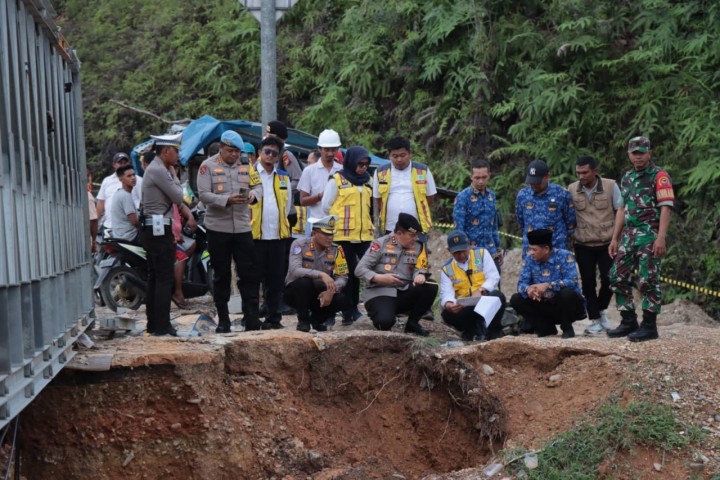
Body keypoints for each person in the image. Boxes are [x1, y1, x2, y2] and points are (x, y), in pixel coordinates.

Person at [607, 136, 674, 342]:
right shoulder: (627, 177)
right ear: (629, 155)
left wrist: (661, 237)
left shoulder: (659, 176)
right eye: (634, 153)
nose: (638, 157)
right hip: (628, 236)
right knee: (617, 276)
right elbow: (621, 208)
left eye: (642, 152)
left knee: (648, 280)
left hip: (649, 235)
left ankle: (649, 326)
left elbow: (666, 206)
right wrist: (614, 238)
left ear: (649, 153)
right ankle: (628, 321)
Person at [196, 130, 263, 333]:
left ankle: (251, 317)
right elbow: (204, 195)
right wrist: (226, 200)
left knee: (248, 273)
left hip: (243, 227)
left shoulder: (246, 164)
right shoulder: (207, 166)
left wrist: (252, 196)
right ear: (221, 148)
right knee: (221, 274)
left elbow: (259, 186)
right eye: (231, 151)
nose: (235, 155)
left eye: (237, 151)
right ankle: (223, 319)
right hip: (218, 228)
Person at [139, 133, 196, 336]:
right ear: (165, 152)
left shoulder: (155, 168)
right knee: (164, 277)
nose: (178, 155)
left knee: (155, 276)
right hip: (158, 229)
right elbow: (180, 196)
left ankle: (154, 323)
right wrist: (173, 173)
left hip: (153, 228)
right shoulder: (160, 170)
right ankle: (162, 325)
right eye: (176, 151)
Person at [355, 213, 438, 336]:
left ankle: (412, 323)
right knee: (384, 322)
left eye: (416, 235)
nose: (415, 239)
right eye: (412, 235)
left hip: (403, 290)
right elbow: (359, 269)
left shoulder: (417, 246)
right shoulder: (380, 244)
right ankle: (381, 312)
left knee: (431, 285)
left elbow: (419, 267)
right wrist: (380, 278)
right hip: (380, 291)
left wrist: (419, 274)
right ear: (399, 233)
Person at [568, 155, 621, 335]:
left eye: (585, 172)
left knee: (610, 280)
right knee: (588, 283)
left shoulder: (611, 186)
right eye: (578, 173)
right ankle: (595, 320)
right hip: (583, 243)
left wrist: (616, 238)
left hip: (607, 242)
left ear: (595, 171)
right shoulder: (572, 189)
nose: (581, 176)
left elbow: (620, 211)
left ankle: (601, 309)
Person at [322, 145, 375, 325]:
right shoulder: (337, 179)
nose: (362, 168)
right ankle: (346, 310)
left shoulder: (368, 181)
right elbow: (326, 206)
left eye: (366, 164)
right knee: (345, 273)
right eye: (360, 164)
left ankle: (356, 309)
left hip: (364, 235)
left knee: (363, 270)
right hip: (342, 235)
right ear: (351, 162)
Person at [250, 135, 294, 329]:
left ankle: (273, 318)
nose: (270, 155)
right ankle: (250, 318)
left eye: (274, 153)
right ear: (259, 153)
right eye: (266, 151)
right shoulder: (248, 175)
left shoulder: (284, 177)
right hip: (254, 236)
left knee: (275, 280)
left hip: (277, 236)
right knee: (252, 279)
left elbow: (288, 205)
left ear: (278, 157)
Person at [510, 229, 585, 338]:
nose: (531, 252)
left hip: (566, 306)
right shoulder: (530, 259)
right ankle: (545, 328)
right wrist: (529, 290)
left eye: (534, 249)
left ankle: (567, 328)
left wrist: (548, 285)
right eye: (530, 249)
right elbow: (521, 284)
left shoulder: (565, 256)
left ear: (546, 249)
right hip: (544, 304)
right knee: (516, 299)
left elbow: (572, 282)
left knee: (567, 293)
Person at [284, 216, 351, 332]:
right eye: (326, 234)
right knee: (304, 283)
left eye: (332, 234)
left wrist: (331, 291)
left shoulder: (337, 249)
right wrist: (320, 274)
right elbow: (295, 270)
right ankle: (303, 320)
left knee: (343, 300)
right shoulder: (299, 244)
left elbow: (342, 276)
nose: (330, 238)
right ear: (314, 233)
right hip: (297, 292)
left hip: (320, 292)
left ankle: (316, 320)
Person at [440, 230, 507, 341]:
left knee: (498, 296)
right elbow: (446, 293)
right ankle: (471, 331)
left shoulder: (482, 254)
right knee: (447, 314)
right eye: (456, 252)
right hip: (466, 307)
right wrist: (449, 304)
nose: (461, 255)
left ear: (469, 245)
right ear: (449, 251)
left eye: (463, 251)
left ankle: (493, 332)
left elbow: (494, 277)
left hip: (486, 300)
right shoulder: (446, 269)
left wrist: (482, 289)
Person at [374, 136, 437, 235]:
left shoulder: (423, 171)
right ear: (389, 156)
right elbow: (379, 199)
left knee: (416, 249)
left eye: (403, 155)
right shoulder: (380, 172)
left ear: (410, 153)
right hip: (390, 228)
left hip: (416, 227)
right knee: (390, 250)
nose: (399, 159)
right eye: (394, 156)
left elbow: (430, 197)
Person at [452, 159, 503, 271]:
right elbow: (458, 228)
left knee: (495, 287)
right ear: (471, 176)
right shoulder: (463, 197)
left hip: (491, 252)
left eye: (484, 177)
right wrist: (461, 252)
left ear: (489, 176)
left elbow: (493, 225)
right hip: (472, 254)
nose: (481, 181)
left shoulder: (491, 196)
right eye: (477, 178)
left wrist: (498, 249)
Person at [515, 159, 576, 251]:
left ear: (547, 177)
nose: (534, 185)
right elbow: (521, 221)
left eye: (537, 182)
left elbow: (570, 222)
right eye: (531, 182)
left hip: (556, 249)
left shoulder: (562, 194)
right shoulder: (522, 195)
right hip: (532, 251)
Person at [298, 129, 343, 229]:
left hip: (338, 226)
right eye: (326, 150)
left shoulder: (342, 170)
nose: (330, 153)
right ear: (319, 149)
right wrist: (319, 196)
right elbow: (303, 200)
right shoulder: (309, 171)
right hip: (317, 225)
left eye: (333, 150)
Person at [96, 152, 142, 234]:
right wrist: (95, 224)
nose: (123, 165)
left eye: (125, 163)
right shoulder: (107, 181)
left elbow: (144, 201)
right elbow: (101, 203)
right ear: (114, 165)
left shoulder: (137, 180)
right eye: (120, 163)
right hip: (109, 226)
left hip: (129, 228)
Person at [108, 165, 139, 243]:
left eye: (133, 175)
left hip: (120, 235)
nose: (133, 178)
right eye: (129, 176)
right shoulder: (125, 196)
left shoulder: (119, 193)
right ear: (121, 179)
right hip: (129, 236)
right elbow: (135, 222)